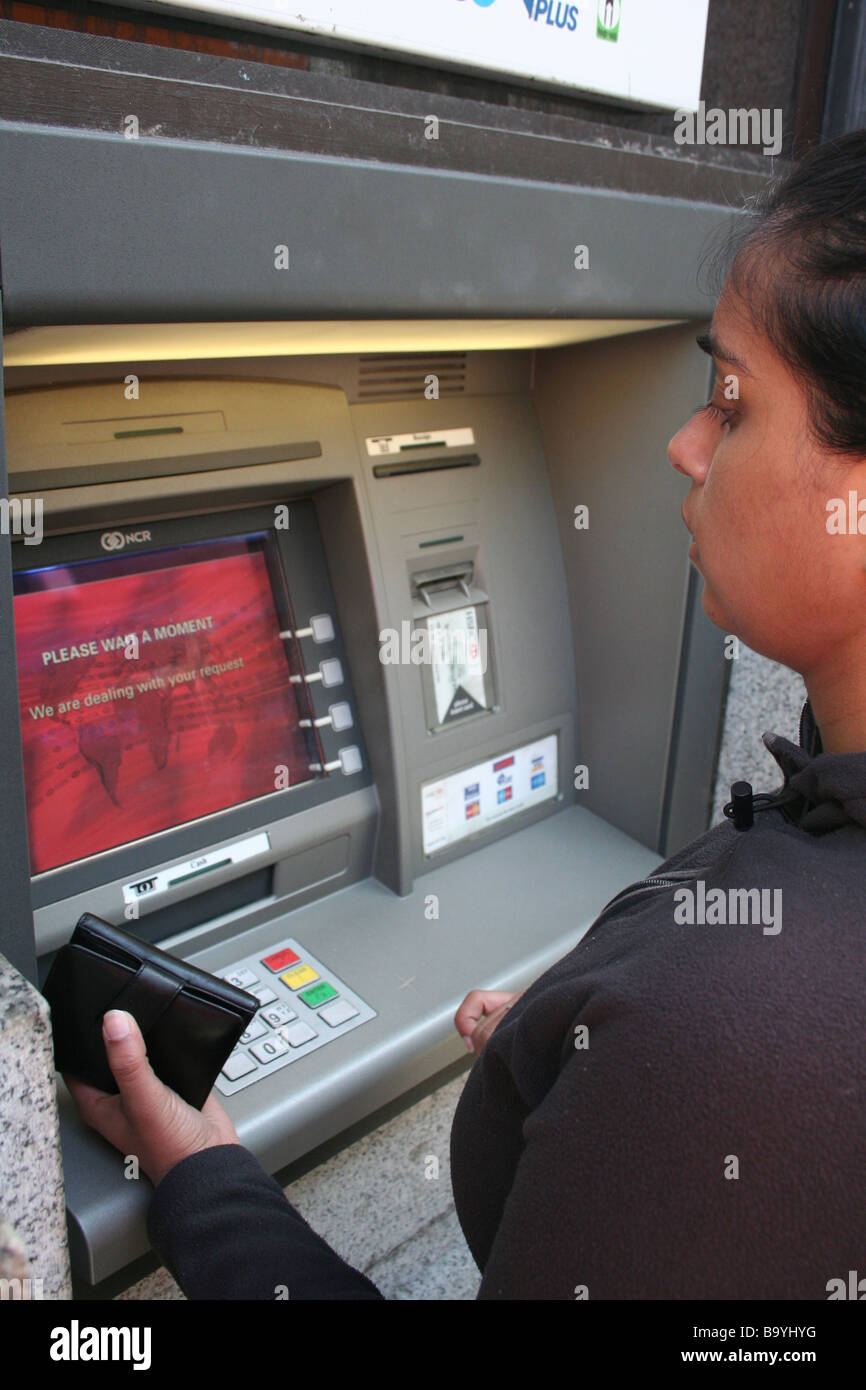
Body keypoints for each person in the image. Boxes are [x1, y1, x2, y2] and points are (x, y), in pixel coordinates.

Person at [68, 129, 866, 1299]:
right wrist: (599, 1048)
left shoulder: (742, 1037)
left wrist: (200, 1170)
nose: (682, 445)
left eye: (731, 406)